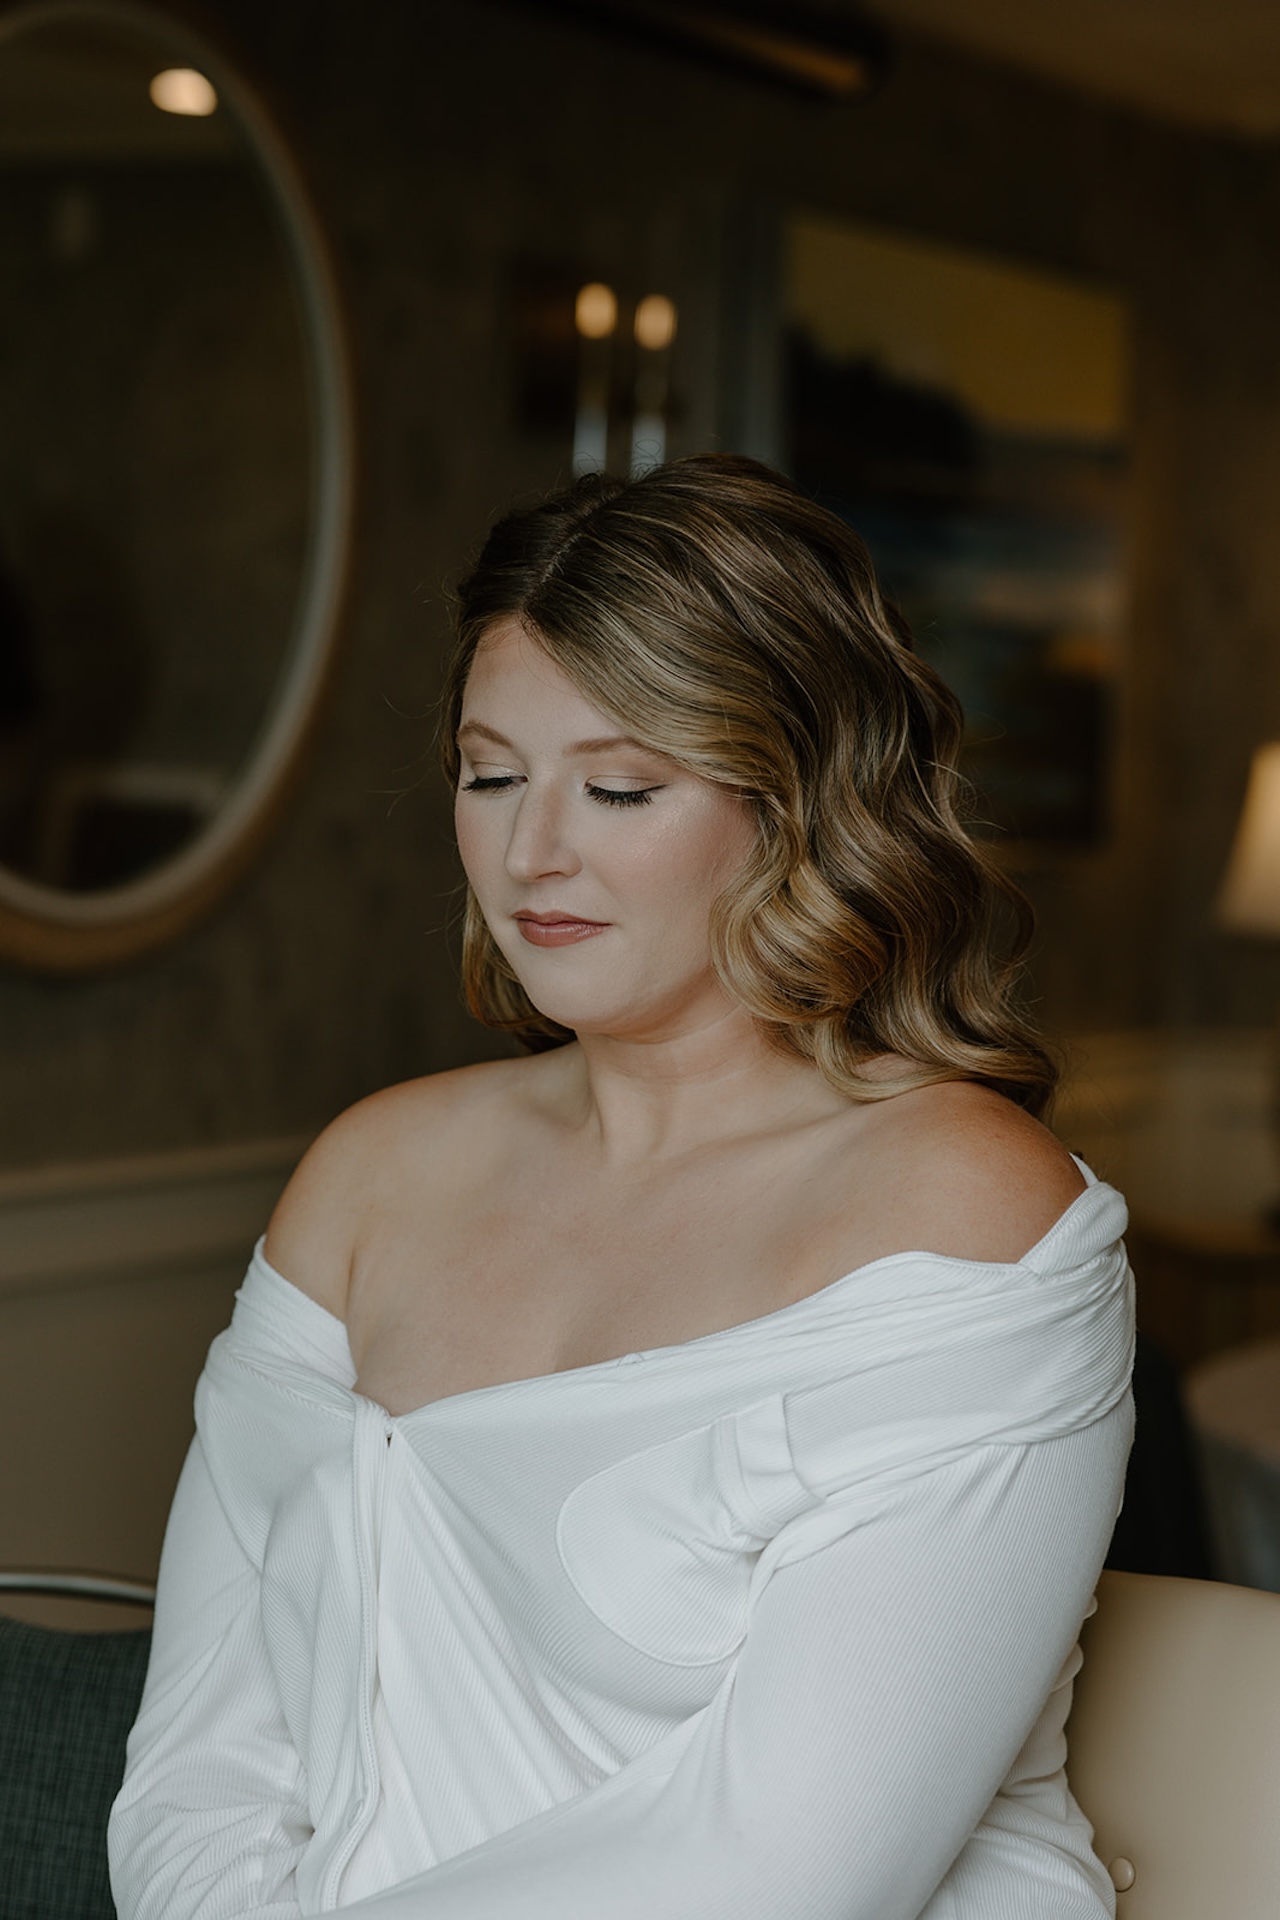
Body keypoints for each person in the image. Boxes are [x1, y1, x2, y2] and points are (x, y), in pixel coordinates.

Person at [109, 454, 1134, 1920]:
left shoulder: (961, 1208)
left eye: (618, 785)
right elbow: (200, 1766)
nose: (532, 852)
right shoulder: (367, 1182)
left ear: (792, 805)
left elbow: (787, 1871)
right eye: (490, 773)